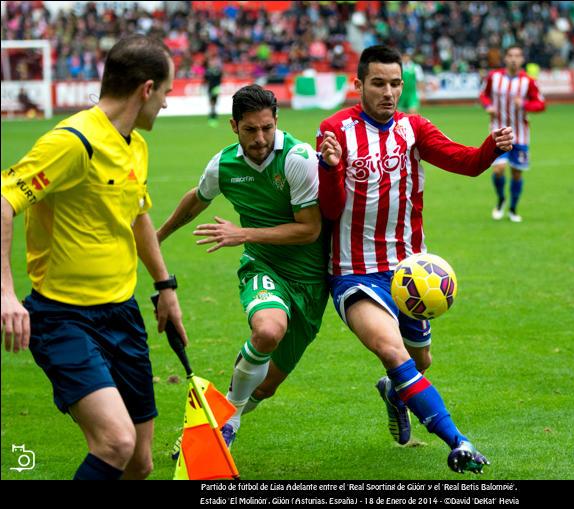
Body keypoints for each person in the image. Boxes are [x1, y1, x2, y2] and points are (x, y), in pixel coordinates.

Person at [317, 45, 513, 474]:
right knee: (392, 350)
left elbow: (464, 163)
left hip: (408, 272)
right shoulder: (335, 129)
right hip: (354, 272)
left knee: (418, 362)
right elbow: (329, 211)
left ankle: (394, 391)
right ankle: (458, 442)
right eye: (378, 83)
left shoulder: (414, 128)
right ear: (359, 84)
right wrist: (329, 168)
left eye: (395, 84)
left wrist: (489, 149)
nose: (388, 92)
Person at [0, 35, 187, 480]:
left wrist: (165, 287)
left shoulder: (134, 145)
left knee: (139, 463)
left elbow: (137, 216)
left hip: (122, 315)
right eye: (166, 92)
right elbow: (4, 201)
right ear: (146, 89)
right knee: (115, 442)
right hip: (65, 318)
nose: (165, 103)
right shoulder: (72, 142)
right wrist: (6, 293)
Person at [157, 84, 327, 451]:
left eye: (267, 127)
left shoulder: (297, 158)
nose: (261, 138)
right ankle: (227, 424)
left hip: (312, 282)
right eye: (250, 129)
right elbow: (196, 198)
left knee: (265, 386)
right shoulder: (224, 164)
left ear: (276, 121)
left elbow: (310, 230)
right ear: (234, 126)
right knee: (267, 330)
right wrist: (157, 237)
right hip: (263, 267)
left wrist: (242, 232)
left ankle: (212, 425)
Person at [479, 45, 545, 223]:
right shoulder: (494, 77)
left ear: (522, 59)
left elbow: (541, 104)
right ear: (505, 58)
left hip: (521, 135)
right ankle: (501, 200)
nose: (514, 59)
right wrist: (488, 107)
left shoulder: (528, 81)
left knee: (517, 173)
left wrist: (524, 104)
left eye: (517, 56)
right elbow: (483, 95)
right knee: (499, 170)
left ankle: (514, 209)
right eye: (510, 55)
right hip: (499, 132)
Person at [204, 55, 223, 127]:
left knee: (213, 103)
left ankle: (213, 116)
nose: (211, 63)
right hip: (210, 89)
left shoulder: (217, 71)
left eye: (212, 62)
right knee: (212, 104)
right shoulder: (207, 71)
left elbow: (220, 79)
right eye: (210, 62)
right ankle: (213, 116)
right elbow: (205, 80)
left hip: (215, 89)